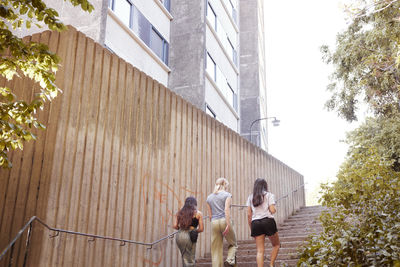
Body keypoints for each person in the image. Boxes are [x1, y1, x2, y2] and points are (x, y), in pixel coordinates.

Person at [247, 178, 280, 267]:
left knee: (260, 250)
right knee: (276, 245)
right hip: (268, 221)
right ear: (265, 186)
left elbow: (249, 215)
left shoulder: (250, 197)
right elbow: (272, 210)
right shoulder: (269, 195)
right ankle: (271, 264)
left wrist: (252, 229)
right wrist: (274, 208)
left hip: (255, 223)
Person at [206, 177, 237, 267]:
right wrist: (227, 224)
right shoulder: (227, 195)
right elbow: (226, 210)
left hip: (214, 222)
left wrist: (214, 224)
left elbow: (210, 216)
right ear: (224, 185)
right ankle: (230, 260)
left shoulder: (209, 198)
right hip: (224, 220)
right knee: (233, 244)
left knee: (215, 249)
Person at [173, 196, 204, 267]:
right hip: (191, 235)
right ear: (194, 204)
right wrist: (194, 231)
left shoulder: (179, 213)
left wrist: (181, 230)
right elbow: (201, 229)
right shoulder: (198, 213)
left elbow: (175, 225)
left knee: (185, 257)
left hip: (180, 235)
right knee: (190, 259)